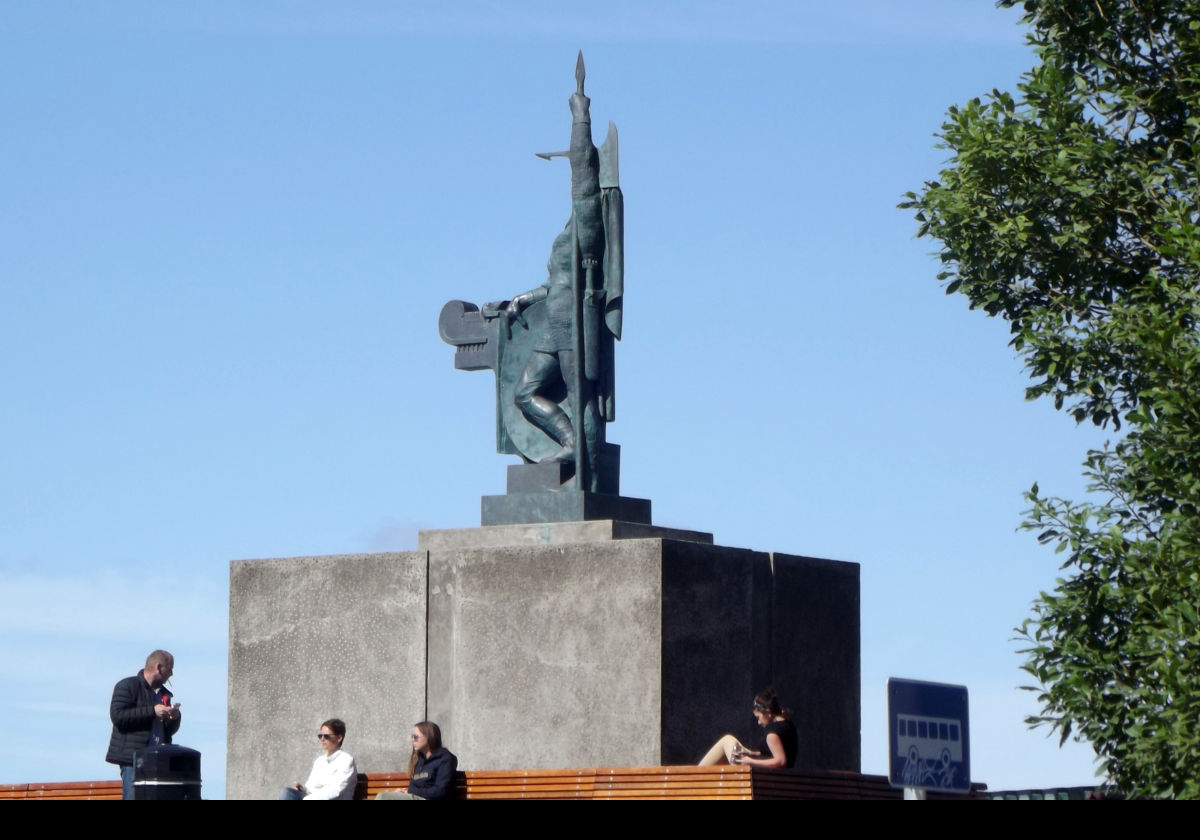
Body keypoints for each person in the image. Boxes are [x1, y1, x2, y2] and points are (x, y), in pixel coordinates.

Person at [106, 649, 181, 799]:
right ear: (159, 667)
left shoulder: (163, 694)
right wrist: (152, 712)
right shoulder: (128, 686)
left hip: (159, 761)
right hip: (134, 760)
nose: (171, 674)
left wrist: (173, 717)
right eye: (170, 668)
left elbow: (168, 731)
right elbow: (118, 716)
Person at [698, 687, 798, 769]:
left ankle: (693, 776)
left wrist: (750, 761)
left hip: (761, 776)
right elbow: (770, 754)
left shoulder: (772, 733)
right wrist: (751, 753)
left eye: (758, 717)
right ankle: (696, 776)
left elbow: (781, 761)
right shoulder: (787, 724)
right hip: (770, 776)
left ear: (767, 712)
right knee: (729, 743)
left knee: (726, 740)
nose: (759, 722)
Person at [376, 721, 458, 800]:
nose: (413, 740)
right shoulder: (418, 761)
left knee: (383, 797)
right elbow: (412, 787)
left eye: (415, 737)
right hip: (417, 797)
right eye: (412, 737)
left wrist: (410, 791)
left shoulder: (445, 759)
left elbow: (440, 791)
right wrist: (403, 792)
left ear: (429, 736)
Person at [280, 718, 358, 800]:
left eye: (326, 736)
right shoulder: (319, 761)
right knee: (286, 792)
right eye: (320, 736)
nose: (322, 739)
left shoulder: (346, 760)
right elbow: (310, 788)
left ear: (339, 738)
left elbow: (336, 791)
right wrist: (303, 789)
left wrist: (308, 798)